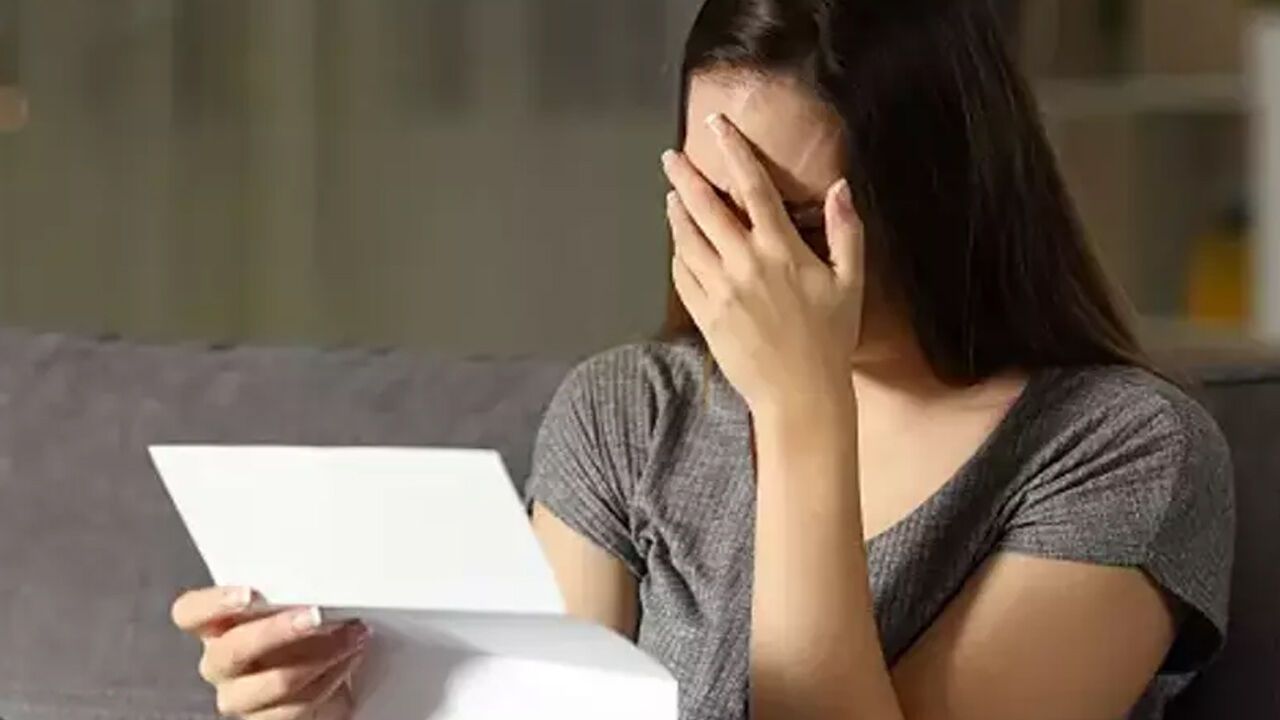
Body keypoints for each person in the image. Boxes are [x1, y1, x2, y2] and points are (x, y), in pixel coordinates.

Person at [170, 1, 1235, 718]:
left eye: (792, 224)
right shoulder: (629, 413)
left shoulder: (1123, 451)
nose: (743, 262)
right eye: (713, 205)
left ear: (944, 199)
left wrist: (801, 410)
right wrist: (336, 704)